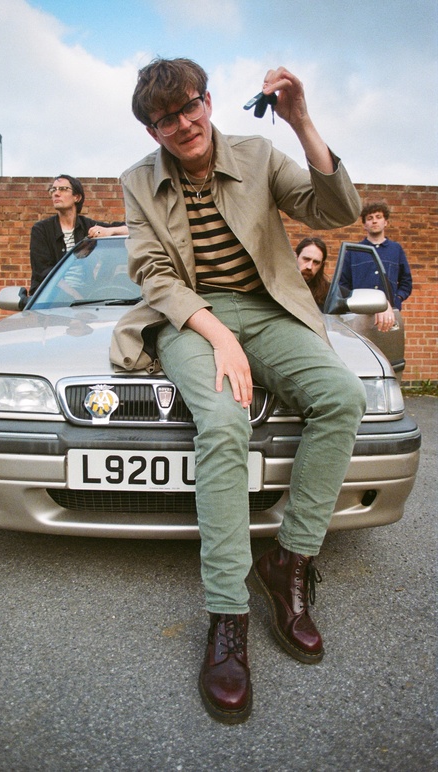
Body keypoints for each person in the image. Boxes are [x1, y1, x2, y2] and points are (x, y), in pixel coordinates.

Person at [110, 58, 366, 724]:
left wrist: (302, 120)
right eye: (162, 119)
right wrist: (217, 334)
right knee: (224, 423)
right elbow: (153, 273)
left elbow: (337, 210)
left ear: (209, 100)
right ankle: (229, 616)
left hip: (270, 311)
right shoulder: (139, 181)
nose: (180, 125)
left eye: (188, 107)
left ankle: (290, 561)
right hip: (191, 316)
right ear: (152, 128)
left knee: (344, 397)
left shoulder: (257, 152)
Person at [29, 174, 128, 295]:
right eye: (53, 189)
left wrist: (111, 231)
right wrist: (76, 297)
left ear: (77, 197)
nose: (56, 193)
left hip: (86, 296)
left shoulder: (88, 227)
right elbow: (44, 272)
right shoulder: (41, 230)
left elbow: (134, 228)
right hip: (51, 297)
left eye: (63, 189)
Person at [340, 201, 412, 332]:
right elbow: (343, 284)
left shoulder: (396, 250)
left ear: (385, 222)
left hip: (389, 316)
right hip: (359, 316)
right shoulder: (353, 251)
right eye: (369, 218)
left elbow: (406, 282)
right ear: (364, 225)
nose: (374, 221)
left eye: (378, 217)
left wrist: (394, 301)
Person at [295, 236, 330, 309]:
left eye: (316, 262)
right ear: (296, 257)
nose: (309, 267)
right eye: (306, 259)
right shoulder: (277, 286)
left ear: (321, 265)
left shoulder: (329, 294)